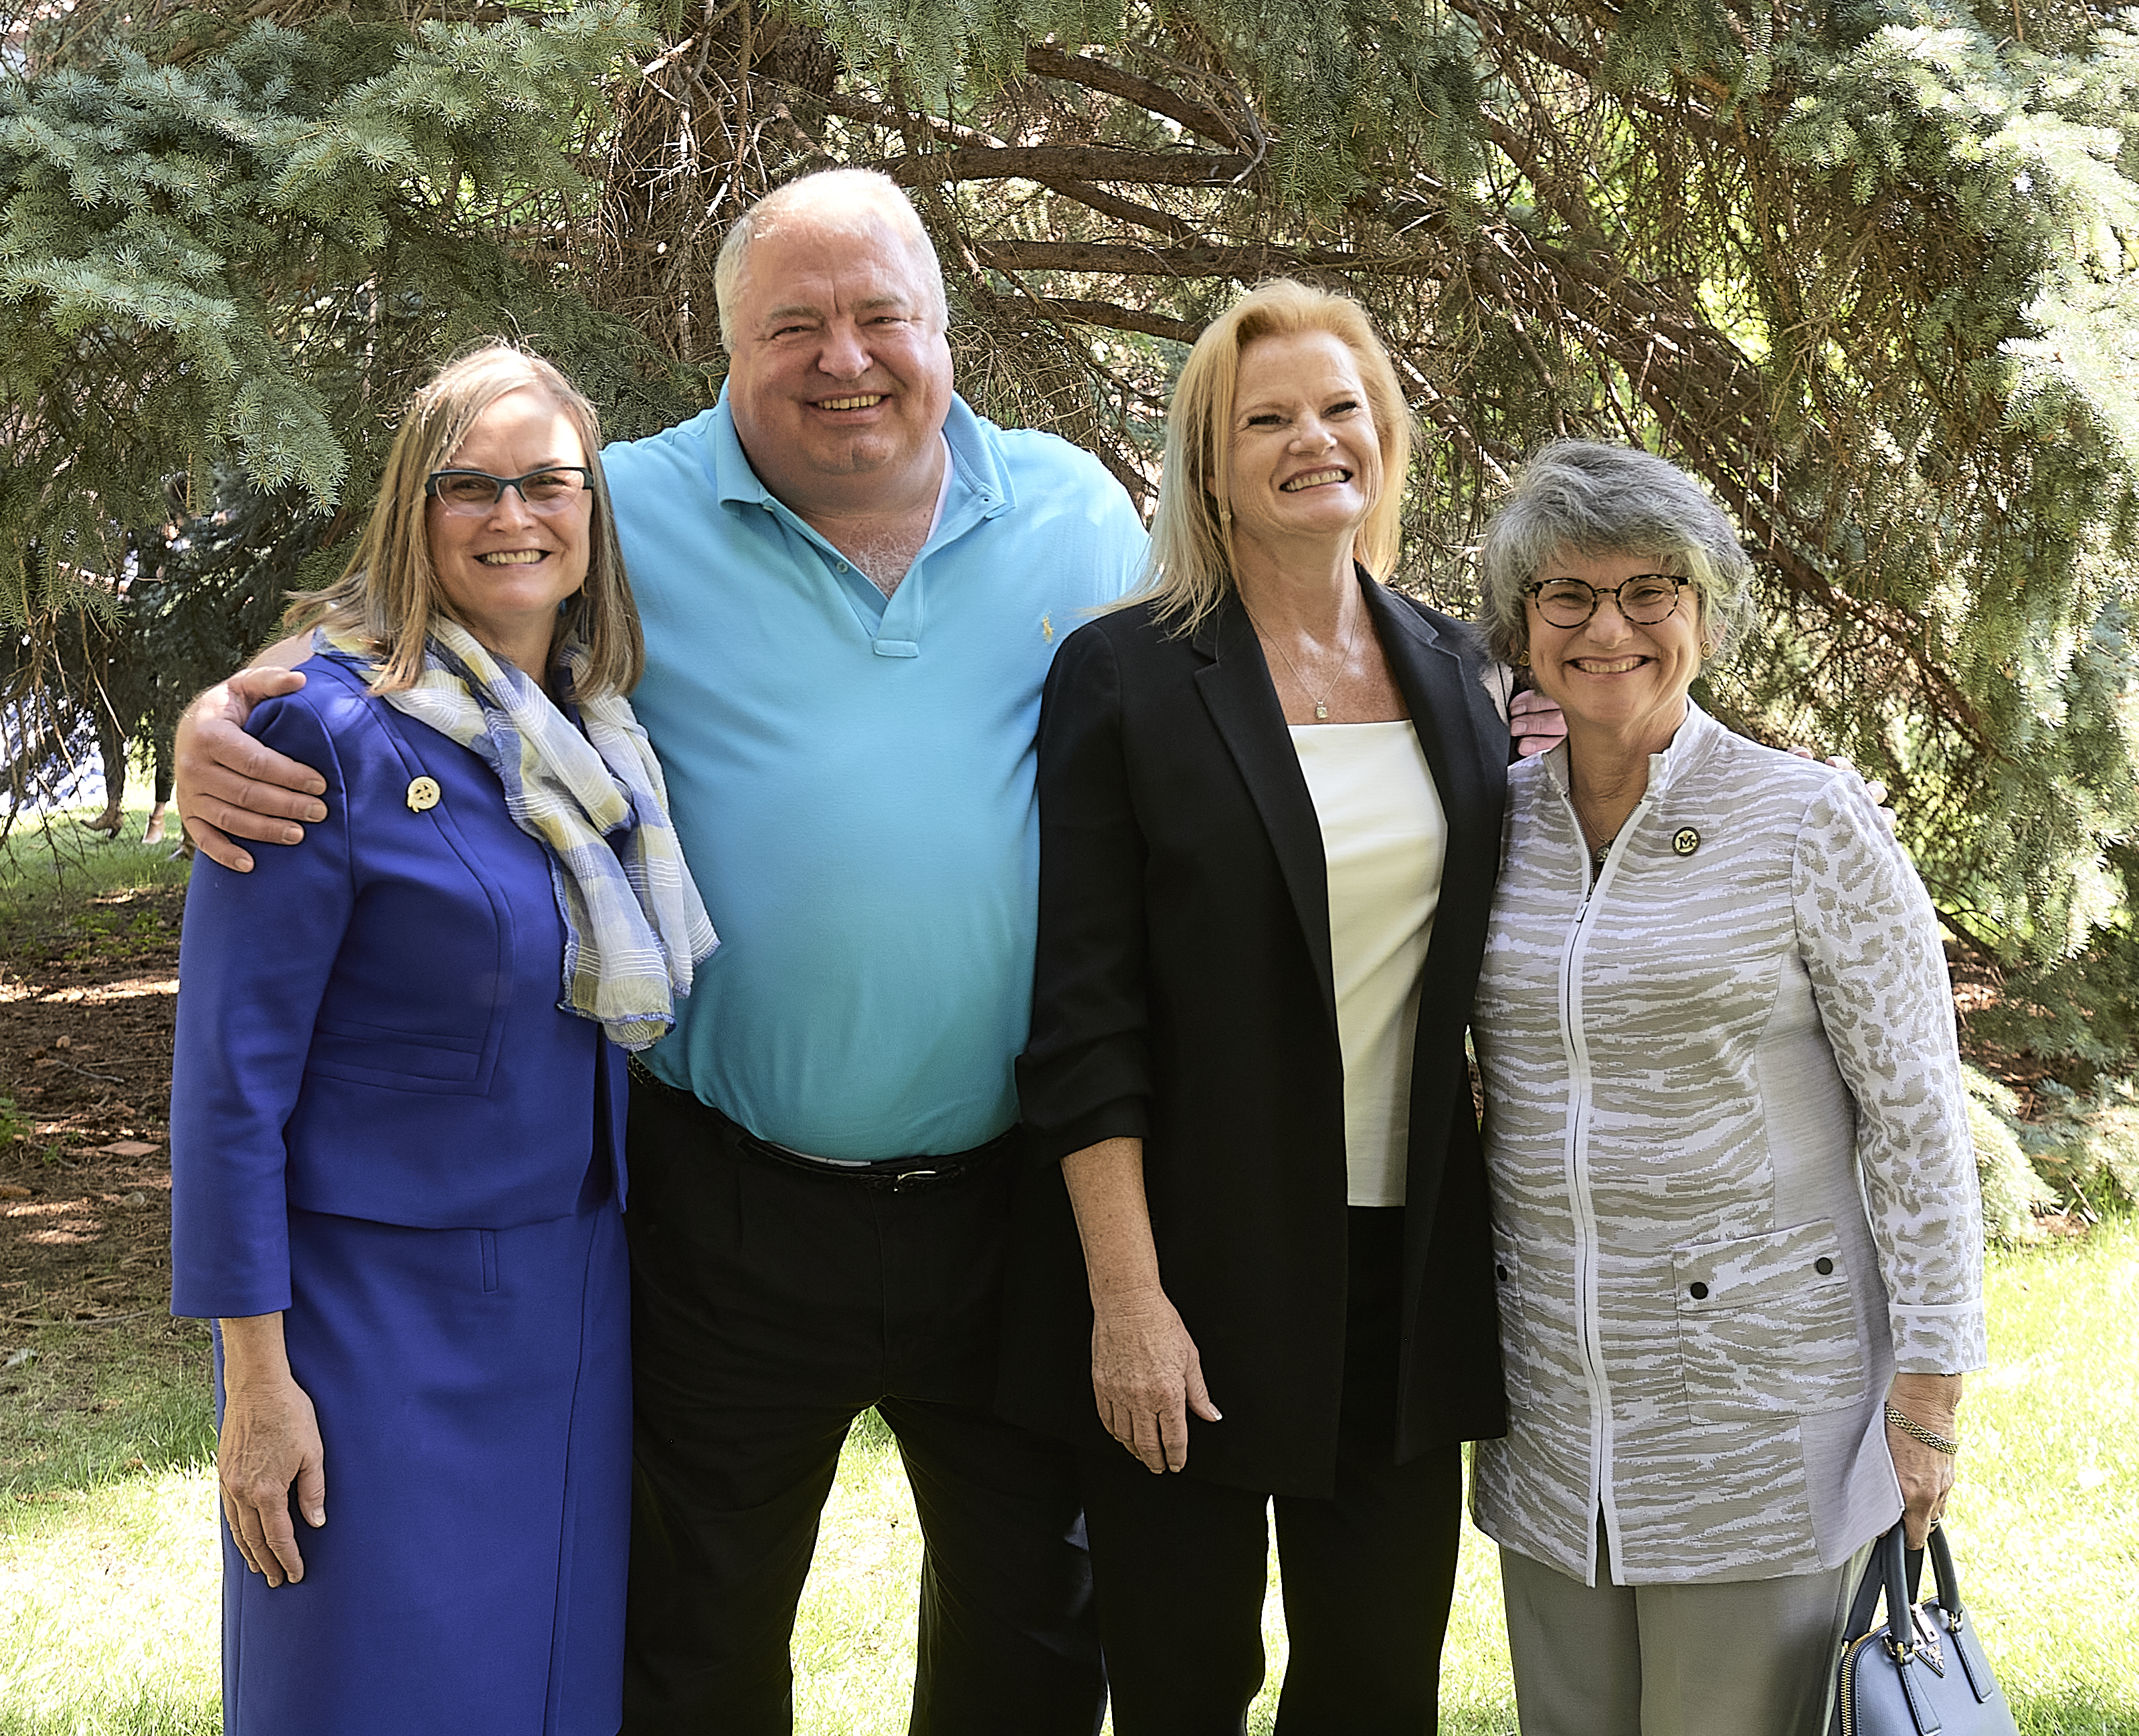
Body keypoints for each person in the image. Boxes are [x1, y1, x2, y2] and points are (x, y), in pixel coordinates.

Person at [174, 169, 1139, 1735]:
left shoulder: (1082, 515)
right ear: (726, 350)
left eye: (882, 315)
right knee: (691, 1642)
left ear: (943, 327)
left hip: (1008, 1198)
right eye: (794, 325)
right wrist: (220, 712)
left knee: (1034, 1632)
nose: (846, 357)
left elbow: (1229, 707)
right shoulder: (627, 502)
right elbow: (415, 609)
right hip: (727, 1203)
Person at [169, 343, 715, 1735]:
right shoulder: (313, 736)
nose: (510, 514)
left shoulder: (598, 744)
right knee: (374, 1691)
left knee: (547, 1692)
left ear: (593, 516)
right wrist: (255, 1383)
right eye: (468, 484)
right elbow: (230, 1088)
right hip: (368, 1330)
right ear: (414, 510)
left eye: (545, 482)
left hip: (574, 1304)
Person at [999, 280, 1511, 1735]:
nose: (1311, 440)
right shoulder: (1124, 674)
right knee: (1181, 1681)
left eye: (1339, 408)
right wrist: (1127, 1299)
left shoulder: (1450, 670)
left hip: (1397, 1270)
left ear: (1384, 434)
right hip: (1191, 1265)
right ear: (1206, 461)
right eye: (1265, 418)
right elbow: (1080, 1017)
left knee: (1373, 1678)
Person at [1467, 439, 1986, 1736]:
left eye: (1650, 588)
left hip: (1757, 1415)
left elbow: (1917, 1115)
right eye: (1566, 594)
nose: (1609, 626)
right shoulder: (1487, 823)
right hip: (1550, 1416)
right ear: (1522, 621)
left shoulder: (1805, 818)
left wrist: (1925, 1392)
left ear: (1701, 609)